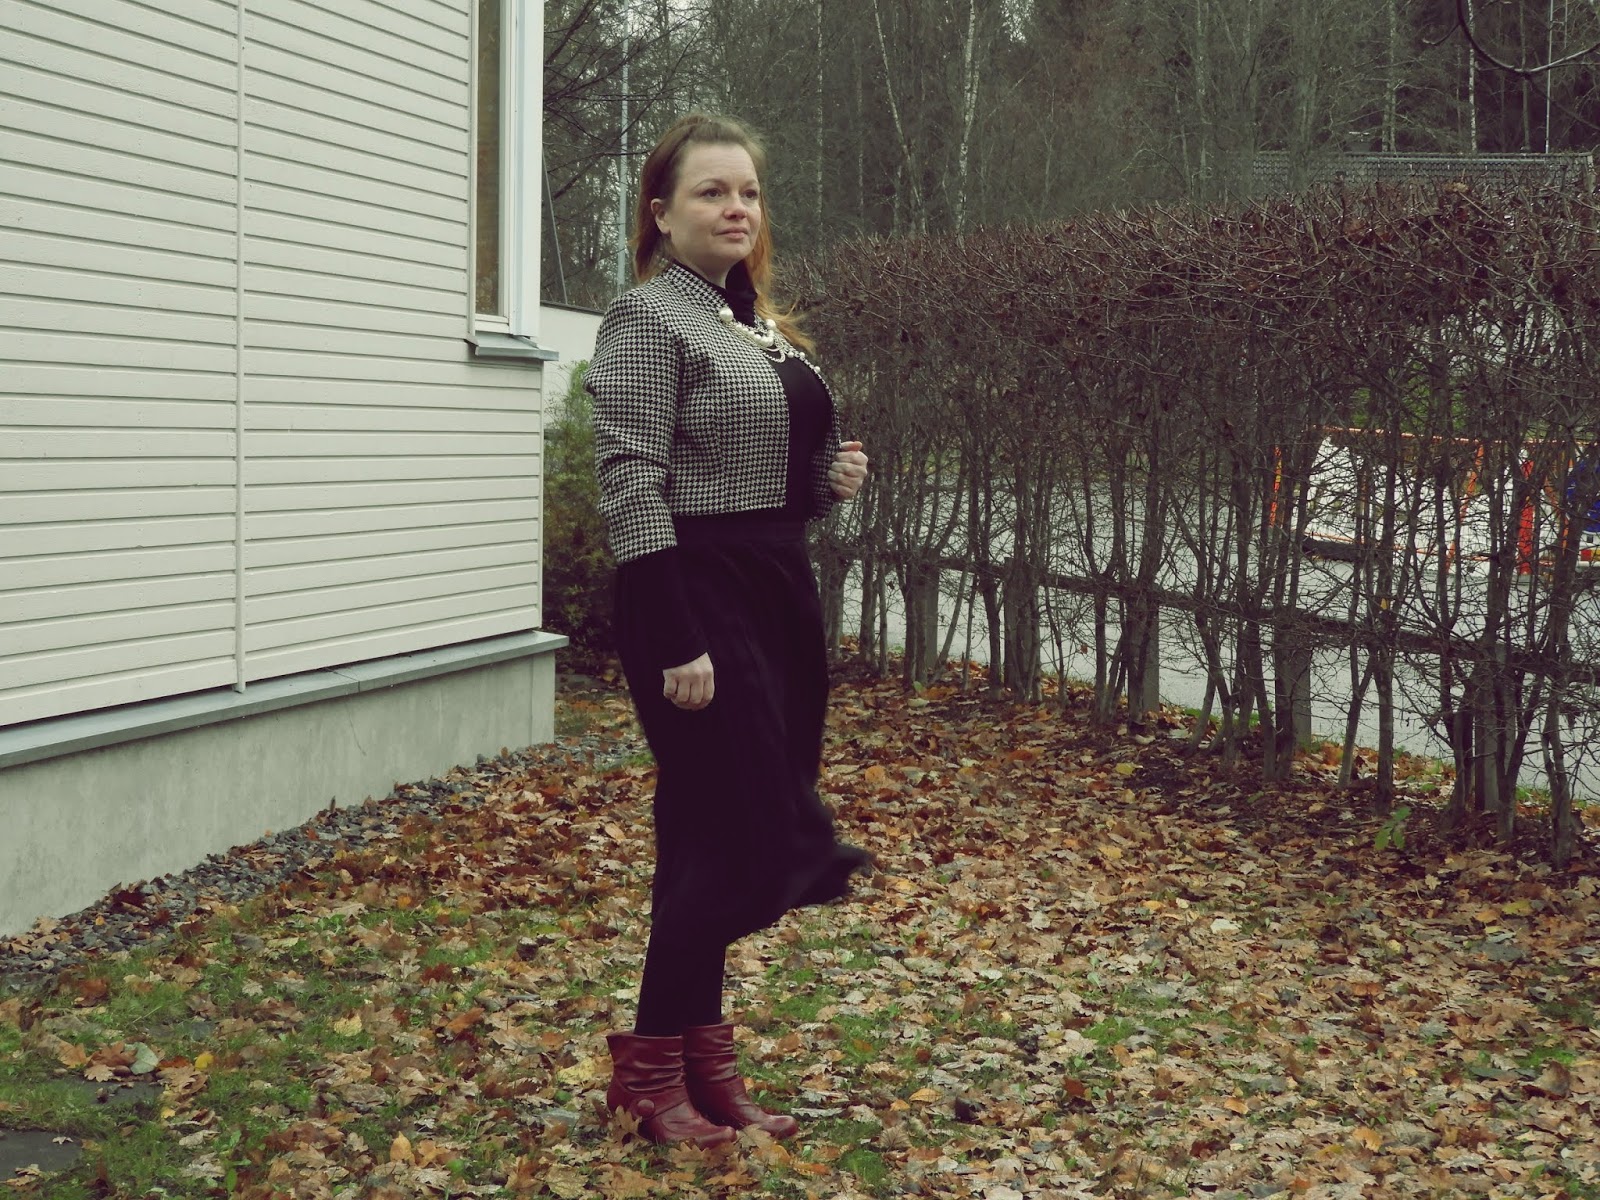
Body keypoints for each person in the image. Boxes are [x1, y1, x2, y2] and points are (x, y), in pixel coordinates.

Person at [584, 112, 874, 1148]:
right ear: (661, 213)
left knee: (703, 836)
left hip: (774, 588)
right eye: (711, 191)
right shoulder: (646, 318)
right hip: (692, 592)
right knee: (750, 833)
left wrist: (828, 483)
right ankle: (653, 1072)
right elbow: (632, 483)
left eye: (747, 192)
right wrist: (674, 636)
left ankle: (692, 1073)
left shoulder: (756, 323)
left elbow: (764, 479)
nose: (736, 208)